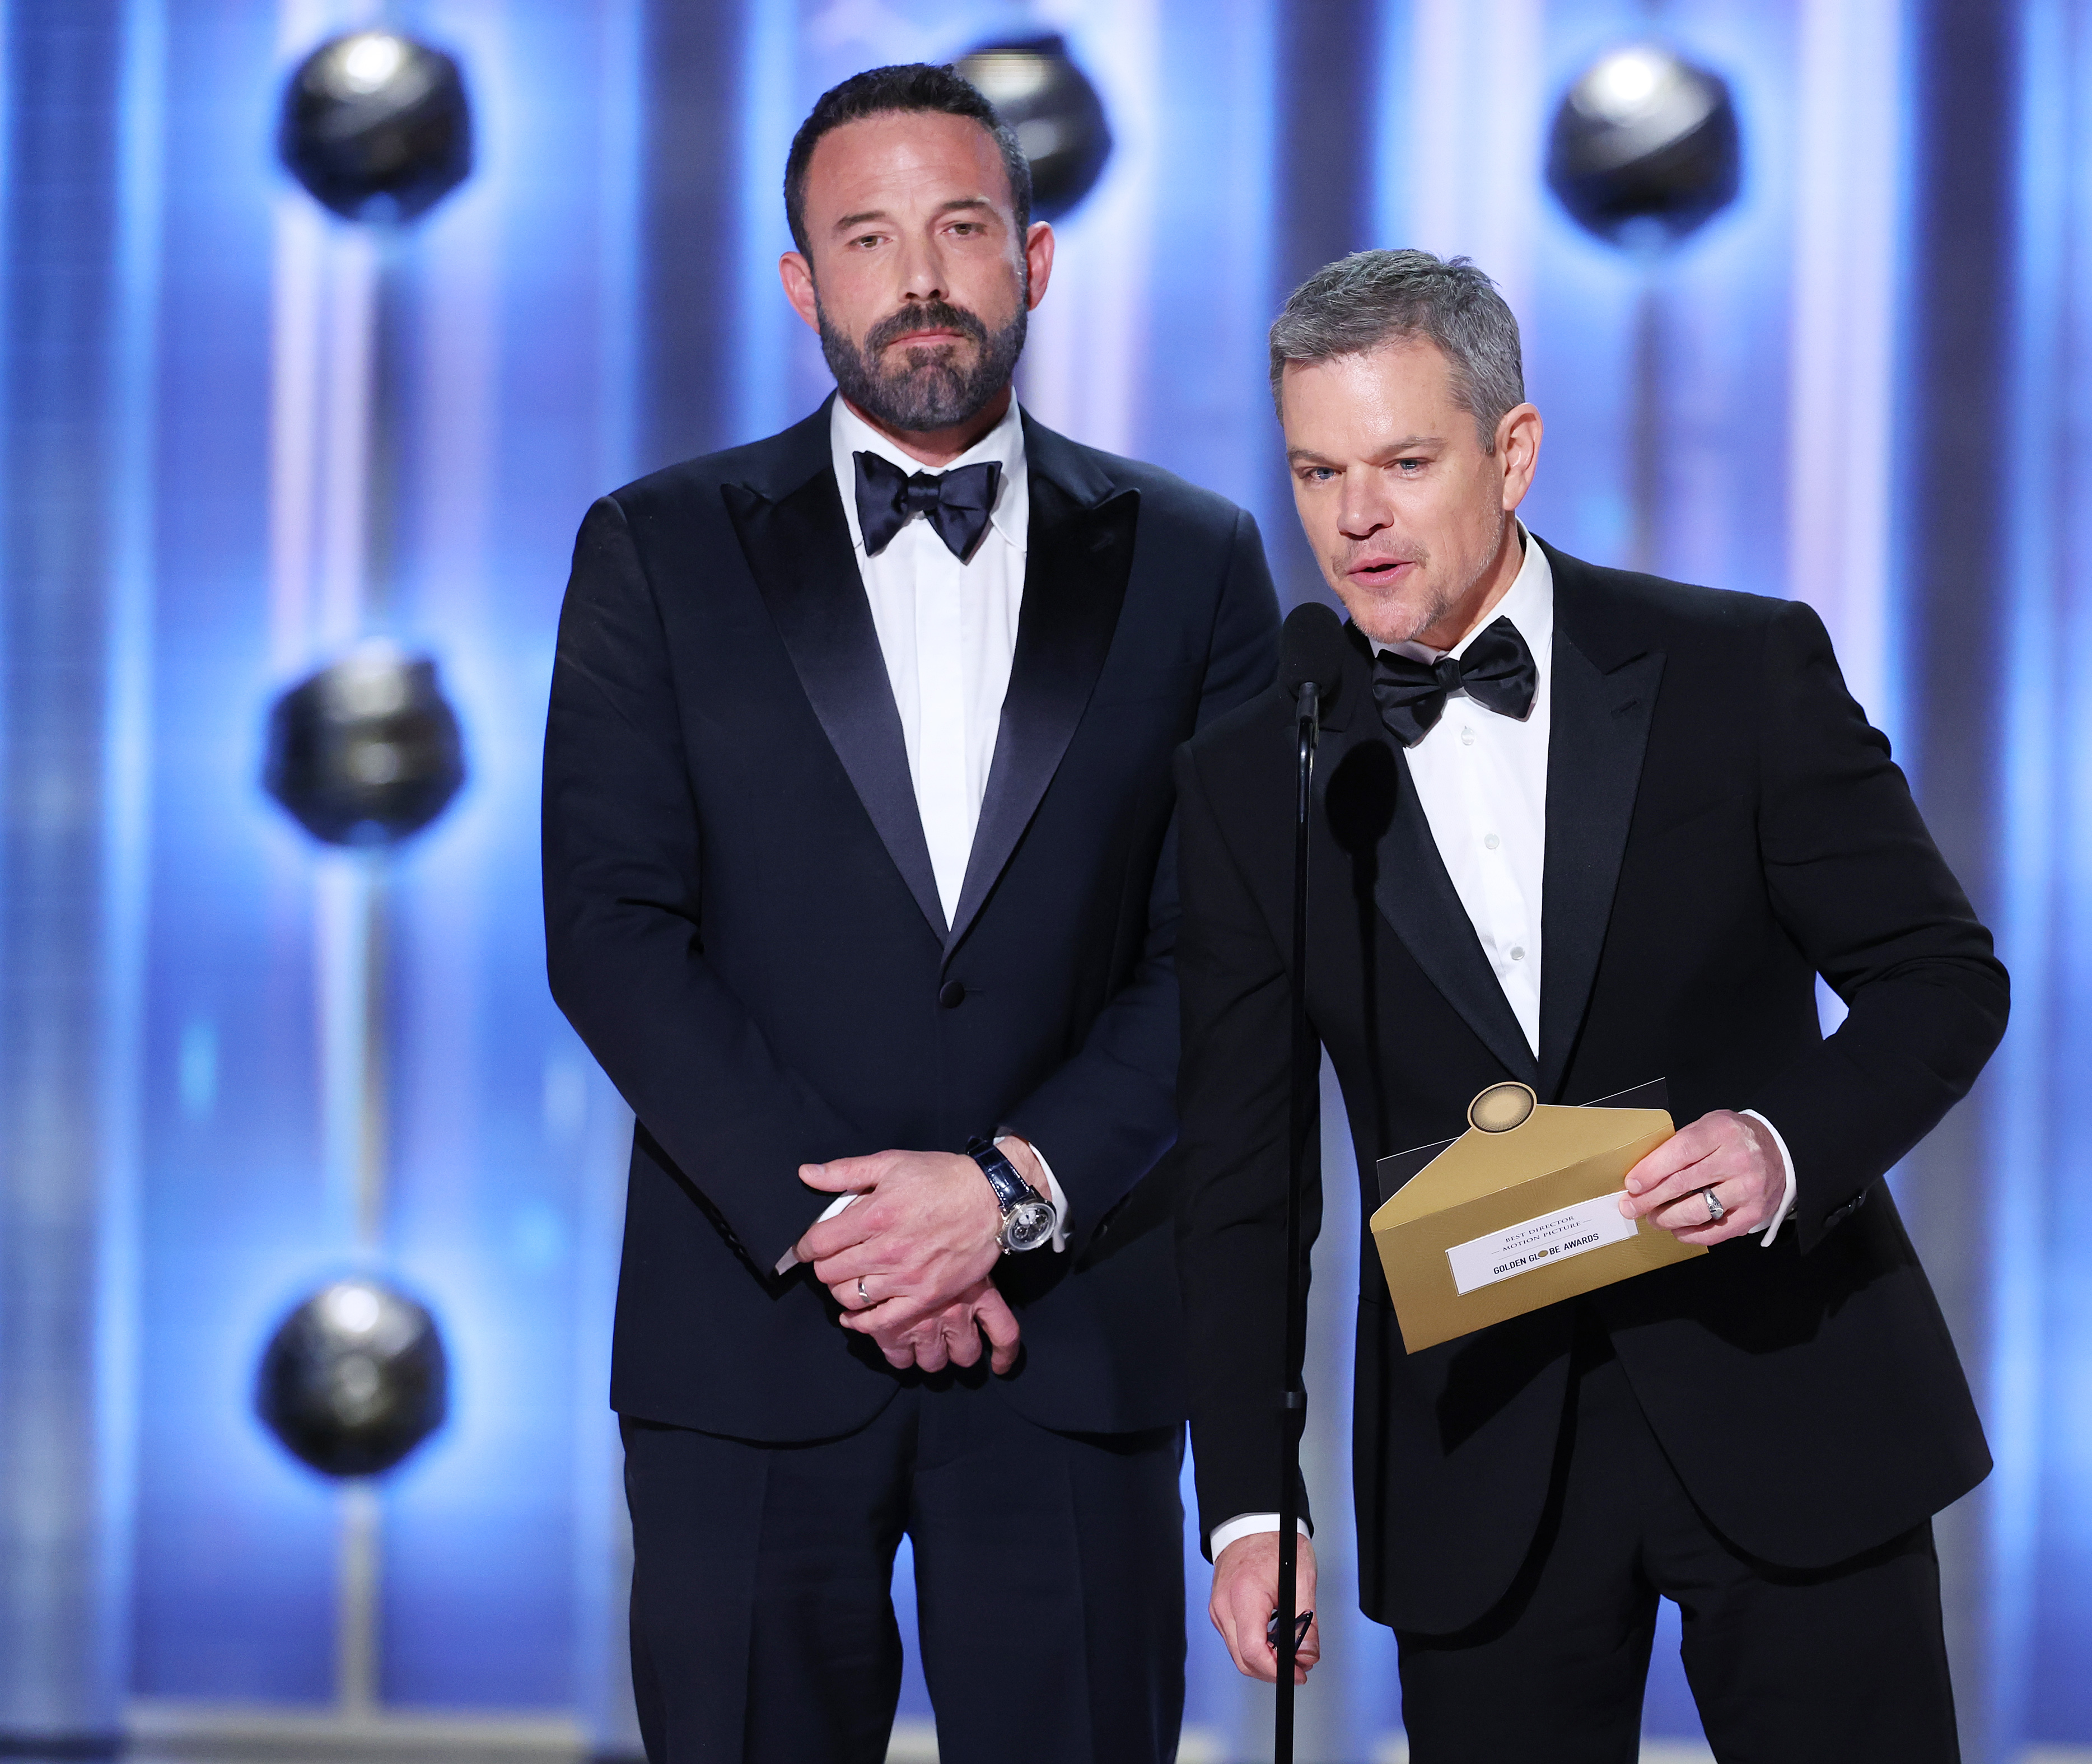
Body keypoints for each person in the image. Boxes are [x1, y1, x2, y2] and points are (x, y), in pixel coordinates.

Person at [1172, 250, 2006, 1762]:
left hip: (1784, 1388)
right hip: (1479, 1451)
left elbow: (1939, 978)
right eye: (1314, 470)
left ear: (1512, 449)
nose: (1352, 516)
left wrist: (1781, 1143)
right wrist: (1246, 1502)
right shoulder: (1255, 775)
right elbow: (1239, 1178)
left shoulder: (1735, 669)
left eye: (1403, 461)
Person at [543, 63, 1278, 1764]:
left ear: (1034, 256)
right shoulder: (655, 547)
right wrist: (862, 1239)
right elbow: (612, 927)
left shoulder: (1196, 556)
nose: (920, 275)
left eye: (959, 227)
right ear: (803, 285)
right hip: (752, 1344)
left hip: (1074, 1340)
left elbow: (1228, 953)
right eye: (865, 238)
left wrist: (1011, 1196)